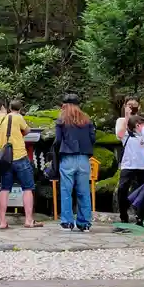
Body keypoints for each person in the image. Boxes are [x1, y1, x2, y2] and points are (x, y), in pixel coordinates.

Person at [0, 100, 42, 229]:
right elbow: (27, 130)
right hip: (20, 156)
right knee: (27, 188)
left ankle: (2, 222)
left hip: (4, 161)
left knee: (5, 188)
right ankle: (28, 220)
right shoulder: (15, 116)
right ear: (2, 108)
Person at [55, 94, 95, 232]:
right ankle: (85, 223)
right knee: (84, 191)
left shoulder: (62, 120)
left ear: (65, 105)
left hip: (67, 158)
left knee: (66, 191)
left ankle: (67, 222)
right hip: (84, 158)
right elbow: (92, 138)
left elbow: (58, 140)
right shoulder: (87, 120)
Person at [115, 98, 144, 230]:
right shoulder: (121, 121)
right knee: (122, 190)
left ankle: (140, 219)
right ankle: (124, 218)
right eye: (129, 105)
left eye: (134, 105)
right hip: (128, 164)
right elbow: (120, 135)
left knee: (143, 191)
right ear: (124, 106)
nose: (132, 107)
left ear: (139, 106)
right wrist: (127, 116)